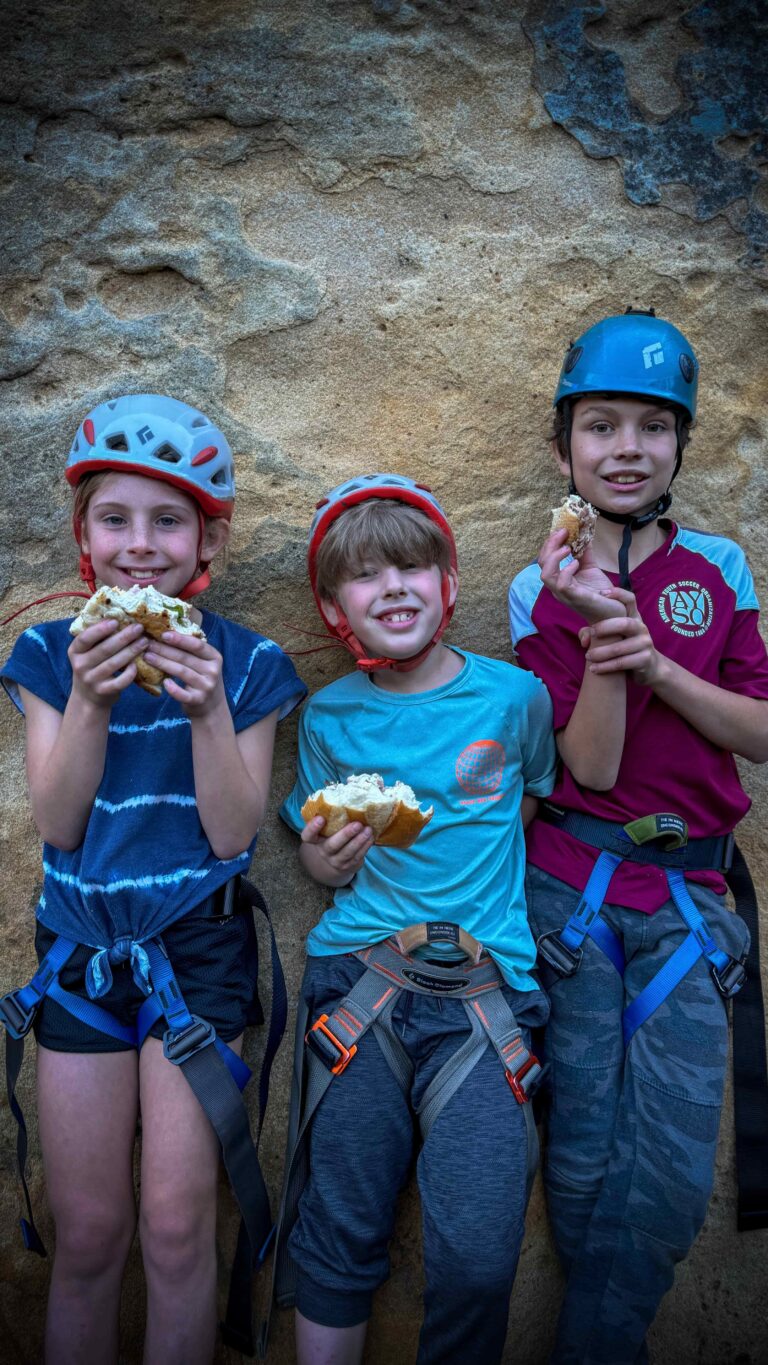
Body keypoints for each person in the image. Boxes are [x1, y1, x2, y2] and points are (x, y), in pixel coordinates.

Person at [0, 395, 306, 1365]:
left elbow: (232, 832)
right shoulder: (49, 654)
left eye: (168, 520)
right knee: (89, 1234)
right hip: (84, 955)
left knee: (179, 1230)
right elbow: (57, 822)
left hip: (200, 949)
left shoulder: (250, 661)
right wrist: (91, 699)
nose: (142, 545)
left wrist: (208, 708)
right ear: (83, 535)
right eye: (116, 519)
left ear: (207, 538)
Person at [508, 309, 768, 1364]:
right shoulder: (540, 584)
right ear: (565, 442)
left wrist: (655, 659)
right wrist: (601, 626)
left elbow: (758, 732)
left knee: (662, 1170)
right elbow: (594, 769)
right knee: (576, 1157)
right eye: (601, 425)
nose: (626, 449)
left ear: (679, 445)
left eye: (653, 428)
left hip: (688, 904)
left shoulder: (719, 568)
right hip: (574, 894)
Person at [273, 473, 557, 1365]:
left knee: (477, 1257)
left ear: (449, 582)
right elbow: (316, 855)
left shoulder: (515, 701)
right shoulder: (327, 717)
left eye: (412, 566)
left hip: (487, 996)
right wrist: (327, 859)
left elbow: (526, 811)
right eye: (365, 576)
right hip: (361, 985)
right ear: (333, 605)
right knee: (337, 1226)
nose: (393, 586)